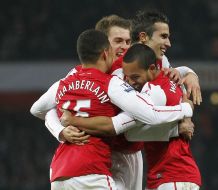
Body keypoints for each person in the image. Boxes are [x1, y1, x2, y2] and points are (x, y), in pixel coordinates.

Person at [30, 13, 199, 190]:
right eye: (118, 41)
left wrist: (189, 73)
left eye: (128, 41)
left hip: (131, 154)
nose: (124, 47)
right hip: (103, 153)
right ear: (103, 45)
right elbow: (48, 107)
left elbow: (162, 73)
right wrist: (61, 131)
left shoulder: (132, 63)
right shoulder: (96, 77)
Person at [61, 44, 201, 190]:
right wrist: (190, 73)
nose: (130, 82)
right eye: (126, 77)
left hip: (173, 175)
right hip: (167, 175)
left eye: (135, 77)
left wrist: (73, 121)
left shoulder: (153, 90)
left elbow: (130, 131)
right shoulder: (168, 78)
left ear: (152, 69)